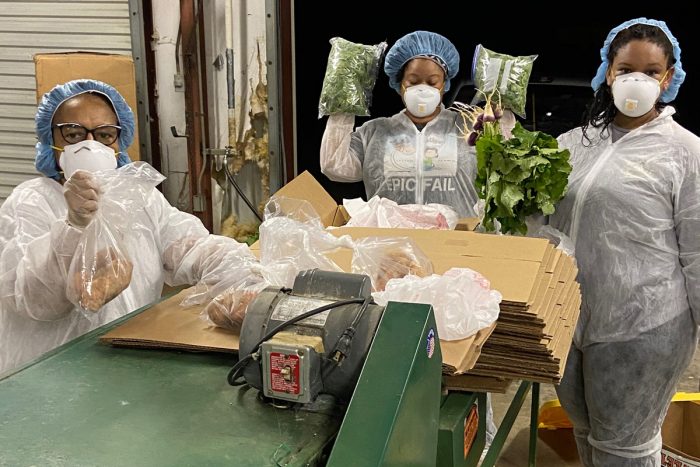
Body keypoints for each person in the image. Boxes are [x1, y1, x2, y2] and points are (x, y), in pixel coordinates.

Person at [0, 79, 252, 374]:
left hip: (127, 362)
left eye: (105, 135)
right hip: (55, 375)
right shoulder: (30, 201)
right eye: (73, 133)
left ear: (119, 141)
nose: (90, 144)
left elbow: (193, 247)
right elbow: (32, 299)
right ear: (50, 138)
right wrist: (73, 225)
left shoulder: (138, 197)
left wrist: (248, 278)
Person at [550, 18, 700, 466]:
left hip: (644, 325)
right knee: (587, 433)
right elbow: (537, 220)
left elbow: (696, 250)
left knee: (625, 449)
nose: (638, 79)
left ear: (668, 77)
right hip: (569, 320)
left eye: (651, 72)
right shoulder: (573, 144)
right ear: (608, 72)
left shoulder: (685, 152)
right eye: (626, 68)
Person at [320, 30, 480, 218]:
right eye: (413, 81)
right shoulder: (374, 132)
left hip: (456, 241)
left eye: (433, 82)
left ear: (445, 84)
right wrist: (343, 103)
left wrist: (504, 109)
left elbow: (505, 162)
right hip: (393, 241)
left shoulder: (468, 127)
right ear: (399, 84)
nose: (422, 89)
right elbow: (334, 165)